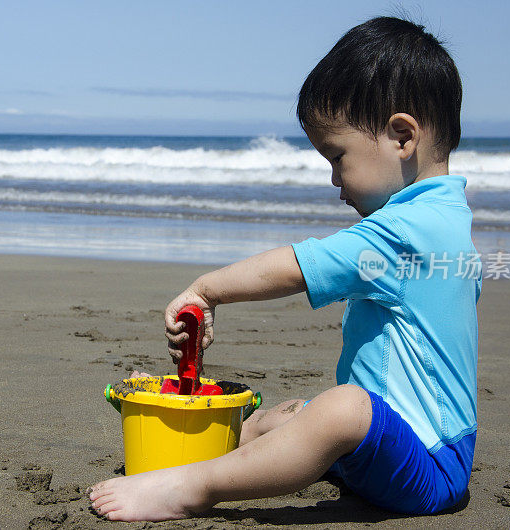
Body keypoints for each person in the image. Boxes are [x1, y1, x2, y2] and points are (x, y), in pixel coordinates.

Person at [89, 15, 481, 522]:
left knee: (342, 409)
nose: (334, 180)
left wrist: (208, 290)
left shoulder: (412, 231)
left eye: (337, 156)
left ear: (402, 138)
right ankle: (195, 432)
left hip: (428, 466)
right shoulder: (444, 220)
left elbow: (300, 265)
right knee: (296, 413)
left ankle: (193, 486)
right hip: (390, 451)